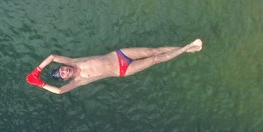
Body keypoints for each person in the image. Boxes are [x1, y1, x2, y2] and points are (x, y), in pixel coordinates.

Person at [26, 39, 203, 94]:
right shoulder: (79, 80)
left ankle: (186, 49)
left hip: (119, 55)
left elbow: (52, 56)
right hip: (122, 70)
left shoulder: (73, 61)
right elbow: (59, 91)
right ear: (66, 78)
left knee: (153, 50)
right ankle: (188, 47)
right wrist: (39, 83)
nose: (64, 70)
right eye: (63, 74)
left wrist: (37, 70)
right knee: (155, 59)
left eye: (62, 68)